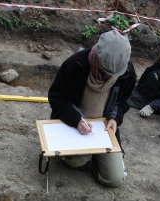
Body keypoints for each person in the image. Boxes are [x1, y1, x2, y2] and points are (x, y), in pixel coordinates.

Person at [48, 30, 136, 188]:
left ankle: (96, 159)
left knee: (115, 179)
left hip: (103, 131)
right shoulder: (75, 64)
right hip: (73, 124)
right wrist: (76, 120)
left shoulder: (127, 72)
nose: (108, 76)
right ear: (97, 57)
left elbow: (124, 101)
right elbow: (57, 97)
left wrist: (115, 117)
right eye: (104, 70)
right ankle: (87, 157)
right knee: (75, 160)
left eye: (112, 74)